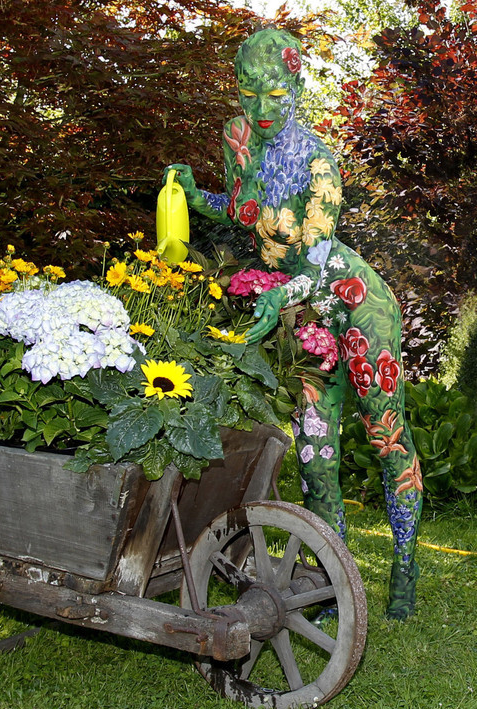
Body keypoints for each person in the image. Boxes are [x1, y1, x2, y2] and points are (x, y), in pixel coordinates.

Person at [166, 28, 421, 619]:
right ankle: (338, 584)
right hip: (305, 317)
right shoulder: (236, 140)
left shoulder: (318, 160)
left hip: (356, 305)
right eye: (247, 93)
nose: (259, 110)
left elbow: (320, 253)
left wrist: (277, 300)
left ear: (298, 86)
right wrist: (191, 193)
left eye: (274, 95)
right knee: (314, 450)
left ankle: (405, 571)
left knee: (386, 436)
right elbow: (244, 213)